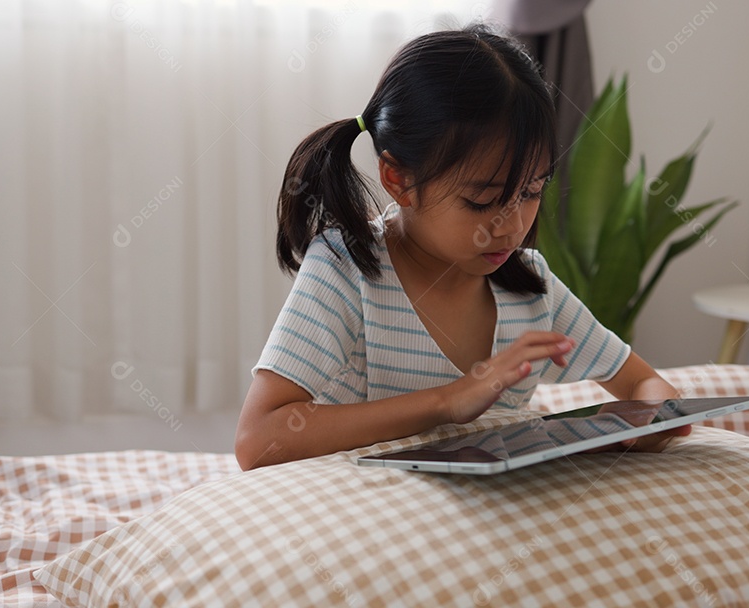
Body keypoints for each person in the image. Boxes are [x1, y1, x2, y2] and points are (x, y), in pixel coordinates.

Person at [235, 24, 689, 470]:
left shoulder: (530, 286)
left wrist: (648, 423)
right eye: (482, 201)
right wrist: (449, 401)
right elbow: (258, 440)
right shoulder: (346, 266)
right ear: (399, 179)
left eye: (531, 192)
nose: (512, 227)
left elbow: (645, 383)